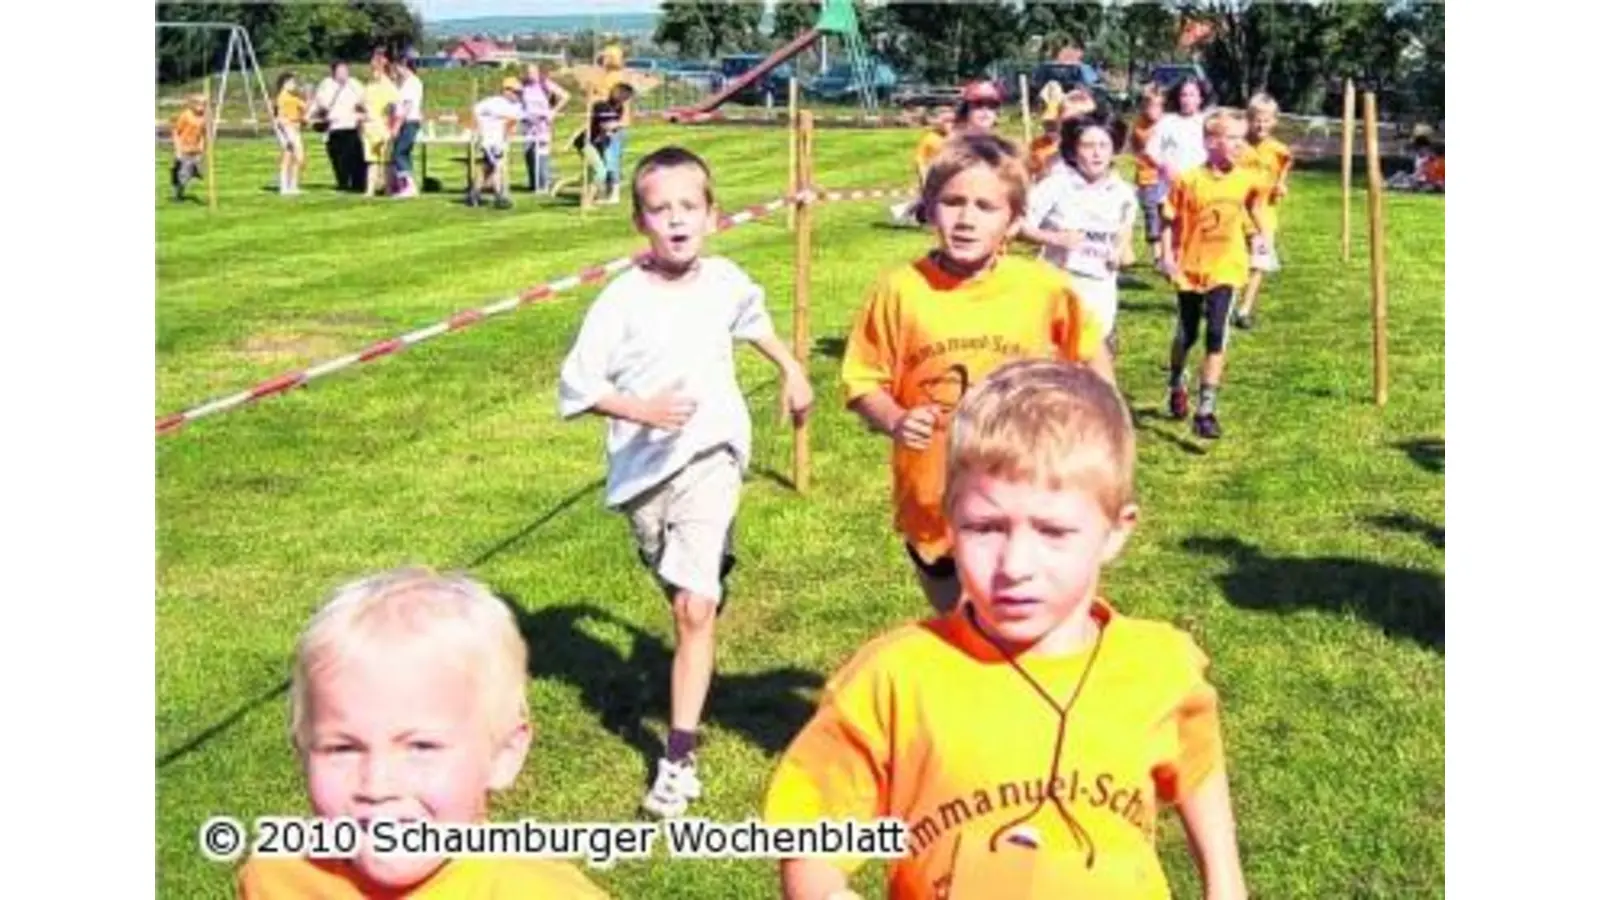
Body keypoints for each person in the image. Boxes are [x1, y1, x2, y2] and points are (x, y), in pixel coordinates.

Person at [764, 360, 1248, 900]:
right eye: (986, 527)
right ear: (949, 521)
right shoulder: (893, 680)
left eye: (1053, 531)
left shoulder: (1160, 666)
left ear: (1116, 530)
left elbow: (1197, 764)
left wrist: (1225, 884)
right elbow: (809, 830)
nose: (1016, 563)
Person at [557, 146, 814, 818]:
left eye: (688, 207)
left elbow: (752, 321)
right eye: (660, 209)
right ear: (640, 221)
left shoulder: (726, 279)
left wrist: (791, 370)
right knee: (678, 579)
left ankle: (678, 758)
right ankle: (704, 575)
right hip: (643, 472)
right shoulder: (620, 301)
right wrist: (639, 410)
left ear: (711, 214)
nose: (676, 220)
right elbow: (578, 386)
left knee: (692, 609)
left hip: (714, 453)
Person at [840, 133, 1113, 614]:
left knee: (1007, 621)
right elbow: (863, 382)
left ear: (1014, 221)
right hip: (932, 496)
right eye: (952, 202)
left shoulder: (1042, 287)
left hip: (1025, 489)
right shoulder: (900, 292)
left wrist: (1103, 426)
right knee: (958, 626)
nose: (966, 220)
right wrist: (896, 419)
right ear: (928, 208)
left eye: (986, 207)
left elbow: (1090, 354)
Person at [234, 568, 610, 898]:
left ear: (502, 755)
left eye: (421, 746)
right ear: (301, 749)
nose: (377, 786)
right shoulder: (276, 876)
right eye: (343, 748)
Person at [1159, 108, 1266, 441]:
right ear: (1210, 141)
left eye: (1241, 138)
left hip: (1227, 266)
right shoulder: (1188, 180)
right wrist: (1166, 257)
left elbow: (1254, 208)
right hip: (1191, 267)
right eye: (1231, 138)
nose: (1238, 145)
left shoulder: (1247, 178)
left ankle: (1206, 410)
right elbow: (1168, 220)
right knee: (1187, 334)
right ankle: (1177, 381)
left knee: (1217, 333)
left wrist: (1261, 239)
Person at [1020, 115, 1138, 367]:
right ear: (1073, 151)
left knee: (1094, 361)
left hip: (1101, 287)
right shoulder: (1055, 186)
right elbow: (1017, 225)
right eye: (1088, 146)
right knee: (1057, 362)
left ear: (1114, 149)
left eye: (1103, 146)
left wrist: (1120, 252)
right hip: (1060, 282)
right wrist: (1054, 238)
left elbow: (1124, 235)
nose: (1096, 154)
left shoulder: (1123, 193)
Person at [1232, 93, 1294, 330]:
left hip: (1264, 214)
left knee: (1259, 262)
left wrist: (1281, 184)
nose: (1261, 125)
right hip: (1238, 212)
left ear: (1274, 121)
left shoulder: (1279, 150)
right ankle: (1225, 300)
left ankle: (1244, 309)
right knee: (1236, 258)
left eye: (1266, 120)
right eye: (1257, 119)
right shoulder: (1238, 147)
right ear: (1248, 119)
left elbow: (1284, 168)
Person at [889, 105, 954, 226]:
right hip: (931, 172)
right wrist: (923, 176)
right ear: (938, 123)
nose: (950, 125)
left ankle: (907, 211)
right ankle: (908, 211)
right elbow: (920, 159)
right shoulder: (929, 139)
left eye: (952, 121)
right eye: (947, 121)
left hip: (947, 172)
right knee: (932, 196)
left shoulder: (953, 137)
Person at [571, 83, 634, 208]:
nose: (626, 101)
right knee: (600, 171)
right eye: (626, 97)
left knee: (593, 172)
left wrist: (613, 129)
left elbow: (610, 128)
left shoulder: (619, 108)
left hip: (597, 143)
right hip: (585, 142)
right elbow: (605, 125)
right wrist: (620, 125)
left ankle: (589, 198)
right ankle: (587, 202)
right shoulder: (601, 106)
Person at [308, 60, 366, 192]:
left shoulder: (354, 84)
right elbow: (320, 102)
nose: (343, 74)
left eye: (345, 70)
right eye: (340, 71)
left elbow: (363, 99)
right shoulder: (327, 85)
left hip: (351, 125)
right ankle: (343, 182)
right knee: (338, 158)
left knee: (356, 157)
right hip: (335, 126)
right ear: (333, 72)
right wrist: (310, 116)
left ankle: (359, 183)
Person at [1126, 82, 1167, 264]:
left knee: (1167, 211)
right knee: (1152, 213)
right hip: (1147, 175)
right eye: (1150, 105)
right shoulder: (1139, 126)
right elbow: (1135, 146)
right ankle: (1157, 251)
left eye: (1158, 106)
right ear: (1144, 106)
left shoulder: (1168, 123)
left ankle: (1169, 250)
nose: (1154, 110)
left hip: (1166, 176)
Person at [468, 77, 525, 209]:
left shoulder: (517, 107)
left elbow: (514, 123)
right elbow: (475, 111)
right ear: (507, 91)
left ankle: (474, 195)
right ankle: (500, 196)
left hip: (500, 142)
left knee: (487, 169)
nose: (518, 95)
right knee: (497, 167)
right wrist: (479, 129)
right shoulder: (493, 103)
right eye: (516, 92)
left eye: (519, 93)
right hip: (490, 141)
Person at [1147, 76, 1208, 193]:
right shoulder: (1166, 122)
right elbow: (1151, 151)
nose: (1187, 99)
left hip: (1199, 189)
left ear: (1200, 99)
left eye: (1192, 95)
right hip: (1170, 189)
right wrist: (1163, 166)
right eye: (1183, 95)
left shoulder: (1206, 123)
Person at [521, 62, 570, 194]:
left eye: (533, 72)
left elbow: (565, 96)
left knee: (541, 152)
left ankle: (544, 184)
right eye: (528, 72)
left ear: (538, 72)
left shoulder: (545, 84)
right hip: (527, 124)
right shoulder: (524, 86)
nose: (530, 75)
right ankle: (533, 183)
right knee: (528, 153)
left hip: (543, 124)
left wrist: (553, 111)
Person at [595, 45, 634, 204]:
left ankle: (614, 194)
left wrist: (617, 124)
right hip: (601, 125)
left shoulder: (620, 79)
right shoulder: (603, 77)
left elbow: (625, 107)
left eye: (606, 56)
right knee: (604, 159)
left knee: (612, 159)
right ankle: (607, 191)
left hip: (614, 128)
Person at [390, 52, 425, 199]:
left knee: (399, 153)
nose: (395, 71)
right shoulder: (405, 83)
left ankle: (409, 185)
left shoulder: (412, 83)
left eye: (397, 67)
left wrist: (397, 125)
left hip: (408, 122)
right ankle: (404, 185)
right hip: (406, 121)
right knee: (403, 153)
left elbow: (407, 106)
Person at [272, 73, 307, 196]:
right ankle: (284, 186)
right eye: (291, 82)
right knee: (288, 156)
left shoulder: (293, 97)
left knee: (297, 157)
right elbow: (280, 117)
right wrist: (287, 134)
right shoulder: (282, 98)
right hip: (287, 128)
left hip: (294, 127)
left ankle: (293, 185)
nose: (294, 85)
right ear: (284, 84)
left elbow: (303, 107)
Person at [169, 93, 207, 202]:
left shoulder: (203, 117)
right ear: (193, 105)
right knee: (182, 176)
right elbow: (176, 132)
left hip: (196, 150)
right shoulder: (186, 115)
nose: (202, 107)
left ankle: (193, 171)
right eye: (200, 105)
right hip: (184, 149)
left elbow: (203, 134)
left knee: (200, 171)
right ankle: (178, 194)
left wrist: (201, 146)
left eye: (204, 105)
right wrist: (178, 149)